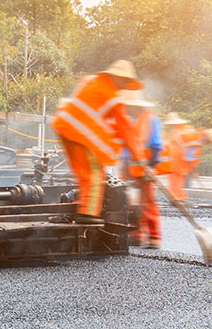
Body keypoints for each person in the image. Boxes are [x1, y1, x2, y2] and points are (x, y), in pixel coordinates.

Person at [50, 60, 142, 224]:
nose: (124, 85)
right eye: (124, 81)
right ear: (117, 77)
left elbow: (98, 117)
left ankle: (81, 206)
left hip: (64, 128)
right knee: (94, 175)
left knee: (83, 174)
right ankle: (87, 215)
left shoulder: (90, 81)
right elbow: (125, 129)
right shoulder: (112, 96)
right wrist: (138, 155)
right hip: (81, 135)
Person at [119, 90, 163, 248]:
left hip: (145, 172)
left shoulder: (151, 119)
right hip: (131, 172)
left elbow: (156, 145)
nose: (127, 108)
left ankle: (154, 237)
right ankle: (135, 235)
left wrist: (151, 166)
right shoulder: (132, 122)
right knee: (130, 204)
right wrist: (124, 167)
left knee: (148, 204)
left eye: (129, 106)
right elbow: (127, 148)